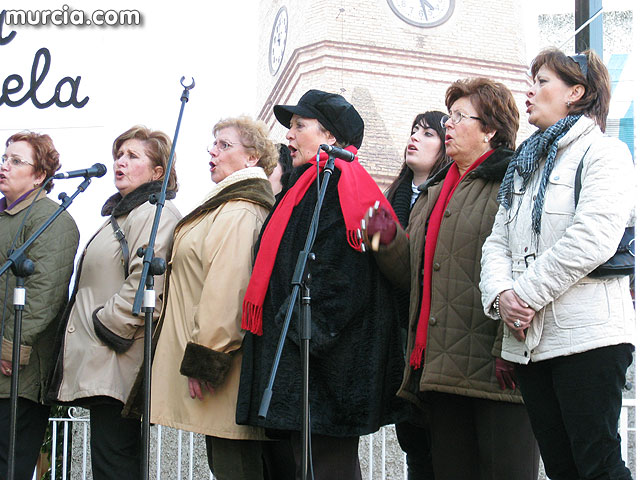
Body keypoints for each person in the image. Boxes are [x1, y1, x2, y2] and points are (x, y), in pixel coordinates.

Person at [365, 78, 539, 480]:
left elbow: (524, 267)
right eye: (450, 116)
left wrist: (508, 346)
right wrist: (381, 236)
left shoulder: (513, 182)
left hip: (496, 373)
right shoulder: (433, 191)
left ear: (490, 129)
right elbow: (413, 277)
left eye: (460, 117)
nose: (449, 125)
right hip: (440, 372)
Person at [236, 89, 407, 480]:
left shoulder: (358, 189)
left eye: (299, 126)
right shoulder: (299, 191)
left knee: (327, 465)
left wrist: (305, 331)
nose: (289, 136)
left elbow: (384, 268)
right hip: (299, 356)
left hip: (332, 360)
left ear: (330, 137)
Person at [480, 49, 635, 480]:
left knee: (598, 466)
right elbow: (497, 243)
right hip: (533, 344)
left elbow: (593, 238)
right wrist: (502, 295)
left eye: (542, 81)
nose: (529, 91)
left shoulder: (605, 153)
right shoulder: (525, 167)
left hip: (589, 338)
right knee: (562, 469)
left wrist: (523, 294)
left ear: (576, 92)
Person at [47, 126, 181, 480]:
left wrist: (106, 326)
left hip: (117, 359)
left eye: (132, 156)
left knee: (115, 463)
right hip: (104, 360)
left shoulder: (155, 213)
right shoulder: (124, 216)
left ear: (157, 172)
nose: (120, 162)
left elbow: (147, 279)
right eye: (118, 155)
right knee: (110, 462)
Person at [149, 116, 277, 480]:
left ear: (252, 159)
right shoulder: (229, 204)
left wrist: (207, 357)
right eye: (213, 143)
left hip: (222, 367)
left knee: (234, 466)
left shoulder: (239, 209)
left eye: (225, 145)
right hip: (220, 364)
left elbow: (228, 288)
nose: (213, 150)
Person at [0, 132, 79, 480]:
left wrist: (11, 346)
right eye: (5, 158)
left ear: (39, 175)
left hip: (19, 373)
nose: (5, 166)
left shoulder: (52, 220)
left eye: (17, 161)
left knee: (11, 466)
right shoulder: (6, 216)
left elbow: (44, 291)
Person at [386, 111, 449, 480]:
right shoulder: (393, 195)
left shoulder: (448, 195)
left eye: (427, 133)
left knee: (439, 449)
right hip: (398, 340)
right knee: (414, 449)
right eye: (412, 131)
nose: (414, 138)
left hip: (431, 337)